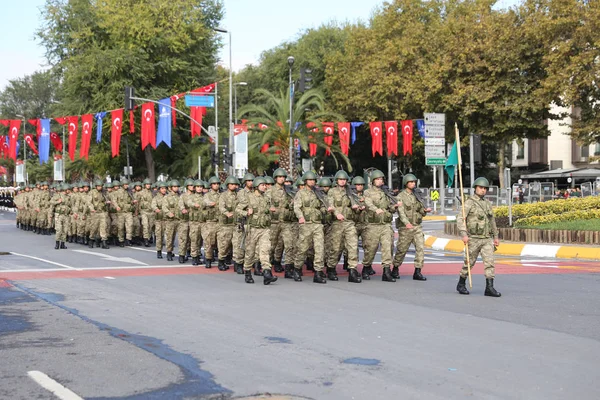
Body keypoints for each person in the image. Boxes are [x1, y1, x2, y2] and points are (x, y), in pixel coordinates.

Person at [456, 177, 501, 297]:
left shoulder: (487, 203)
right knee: (469, 263)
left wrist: (496, 236)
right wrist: (464, 234)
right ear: (475, 188)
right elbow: (460, 219)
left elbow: (492, 221)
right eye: (481, 188)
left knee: (490, 262)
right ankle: (461, 283)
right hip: (474, 238)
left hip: (486, 238)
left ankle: (489, 287)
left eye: (485, 188)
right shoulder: (469, 203)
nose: (483, 190)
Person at [236, 177, 278, 285]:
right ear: (256, 186)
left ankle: (267, 273)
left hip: (264, 229)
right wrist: (246, 213)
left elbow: (265, 211)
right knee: (250, 253)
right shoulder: (248, 198)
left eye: (265, 185)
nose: (265, 187)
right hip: (252, 229)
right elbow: (237, 210)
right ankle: (248, 273)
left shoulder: (266, 198)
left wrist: (270, 210)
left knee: (265, 250)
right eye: (262, 185)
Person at [392, 174, 431, 281]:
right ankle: (395, 268)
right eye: (411, 182)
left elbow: (420, 210)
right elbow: (401, 212)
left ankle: (417, 271)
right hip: (406, 228)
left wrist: (425, 211)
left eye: (414, 182)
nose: (413, 184)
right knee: (402, 250)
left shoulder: (417, 195)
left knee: (420, 248)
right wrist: (406, 223)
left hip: (417, 226)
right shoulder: (400, 196)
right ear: (406, 183)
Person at [363, 169, 399, 282]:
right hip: (373, 225)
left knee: (387, 248)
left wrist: (395, 206)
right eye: (377, 179)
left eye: (381, 179)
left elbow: (390, 208)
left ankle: (386, 271)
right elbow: (367, 203)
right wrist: (375, 209)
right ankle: (366, 267)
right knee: (371, 249)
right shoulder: (367, 192)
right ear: (373, 181)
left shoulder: (386, 193)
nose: (380, 181)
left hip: (386, 225)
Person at [326, 170, 362, 283]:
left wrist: (358, 208)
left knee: (352, 246)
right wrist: (337, 214)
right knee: (336, 248)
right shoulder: (332, 192)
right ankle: (331, 268)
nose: (342, 181)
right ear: (337, 181)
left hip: (349, 222)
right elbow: (330, 205)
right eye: (341, 179)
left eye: (344, 180)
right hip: (337, 224)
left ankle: (352, 270)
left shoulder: (350, 192)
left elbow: (356, 205)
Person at [293, 171, 327, 284]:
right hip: (306, 224)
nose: (312, 181)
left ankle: (318, 272)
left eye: (313, 180)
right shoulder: (301, 193)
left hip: (317, 224)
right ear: (305, 181)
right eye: (310, 180)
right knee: (302, 248)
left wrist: (323, 211)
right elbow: (297, 207)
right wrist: (300, 217)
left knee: (319, 248)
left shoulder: (318, 193)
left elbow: (323, 205)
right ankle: (297, 268)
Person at [217, 176, 239, 271]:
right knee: (224, 245)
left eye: (235, 184)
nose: (234, 186)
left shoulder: (238, 195)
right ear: (228, 185)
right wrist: (227, 213)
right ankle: (221, 261)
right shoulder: (223, 195)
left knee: (237, 245)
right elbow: (221, 207)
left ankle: (237, 264)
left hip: (236, 224)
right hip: (226, 225)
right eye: (231, 184)